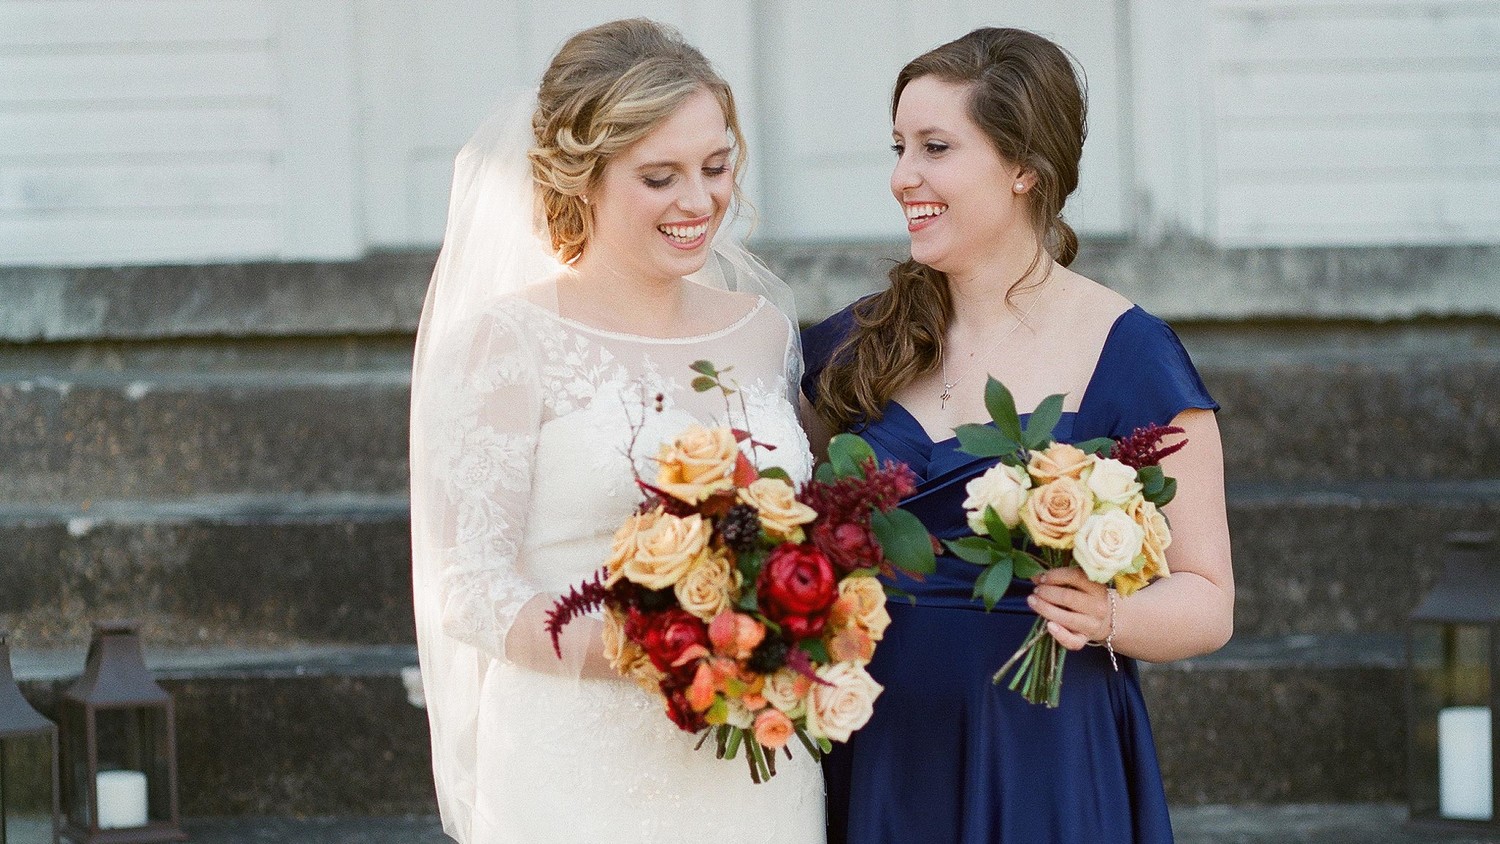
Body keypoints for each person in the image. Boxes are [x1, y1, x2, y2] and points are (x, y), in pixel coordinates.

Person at [802, 27, 1234, 844]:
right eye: (898, 146)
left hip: (1043, 753)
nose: (903, 178)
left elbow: (1208, 600)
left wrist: (1108, 613)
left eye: (935, 147)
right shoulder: (851, 349)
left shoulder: (1132, 354)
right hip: (870, 748)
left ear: (1025, 168)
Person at [409, 19, 823, 844]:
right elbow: (469, 584)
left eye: (716, 166)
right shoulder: (508, 344)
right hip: (575, 768)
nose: (700, 202)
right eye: (660, 176)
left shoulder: (763, 334)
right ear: (583, 179)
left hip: (754, 767)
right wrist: (656, 648)